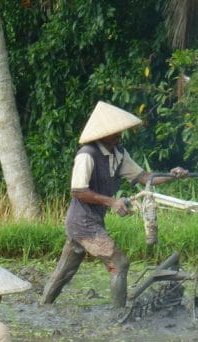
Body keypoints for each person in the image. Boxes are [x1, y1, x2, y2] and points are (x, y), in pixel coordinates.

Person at [41, 101, 188, 309]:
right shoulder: (87, 155)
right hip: (82, 223)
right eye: (114, 131)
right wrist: (112, 202)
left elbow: (145, 177)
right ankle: (118, 314)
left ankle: (44, 306)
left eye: (120, 131)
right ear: (101, 133)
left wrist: (173, 176)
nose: (119, 134)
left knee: (65, 270)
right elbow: (78, 191)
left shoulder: (119, 154)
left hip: (90, 221)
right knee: (119, 264)